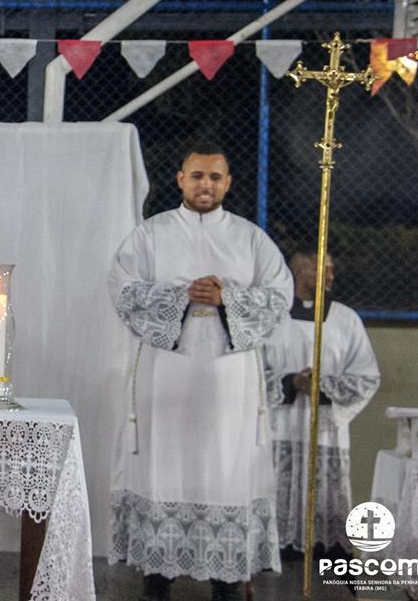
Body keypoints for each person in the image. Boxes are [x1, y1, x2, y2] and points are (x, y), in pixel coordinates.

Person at [107, 141, 293, 601]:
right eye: (196, 176)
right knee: (163, 462)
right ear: (180, 180)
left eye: (214, 177)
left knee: (225, 465)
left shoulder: (251, 238)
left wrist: (228, 298)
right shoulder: (151, 234)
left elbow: (279, 296)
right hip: (168, 369)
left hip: (231, 377)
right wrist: (180, 296)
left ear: (227, 183)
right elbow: (123, 290)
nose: (205, 185)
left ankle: (227, 579)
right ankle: (157, 577)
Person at [263, 250, 379, 558]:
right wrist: (291, 382)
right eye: (320, 269)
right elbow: (253, 371)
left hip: (325, 426)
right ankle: (278, 550)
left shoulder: (345, 319)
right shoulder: (272, 318)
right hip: (280, 425)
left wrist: (322, 386)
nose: (330, 276)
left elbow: (367, 376)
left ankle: (330, 550)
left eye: (331, 269)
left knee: (328, 501)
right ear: (297, 272)